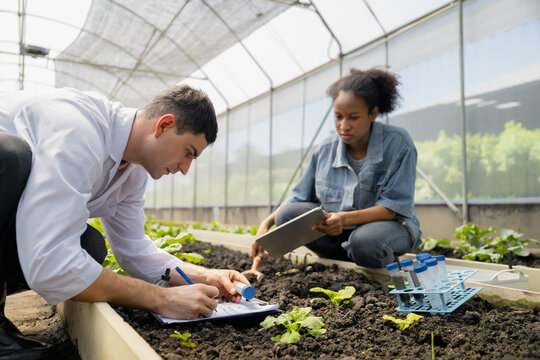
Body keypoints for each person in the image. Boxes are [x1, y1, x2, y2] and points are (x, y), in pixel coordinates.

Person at [0, 85, 249, 359]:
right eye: (188, 152)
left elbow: (133, 250)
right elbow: (51, 262)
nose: (185, 168)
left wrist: (205, 275)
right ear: (164, 125)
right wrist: (160, 298)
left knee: (90, 248)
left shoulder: (133, 171)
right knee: (10, 158)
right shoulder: (80, 132)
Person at [251, 68, 422, 268]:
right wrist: (265, 225)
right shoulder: (325, 149)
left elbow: (392, 209)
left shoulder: (398, 144)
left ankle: (371, 257)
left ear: (373, 113)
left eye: (353, 117)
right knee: (285, 215)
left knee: (365, 242)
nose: (344, 125)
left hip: (386, 229)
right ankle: (342, 262)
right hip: (336, 235)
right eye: (338, 116)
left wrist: (343, 218)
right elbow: (296, 198)